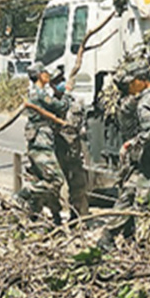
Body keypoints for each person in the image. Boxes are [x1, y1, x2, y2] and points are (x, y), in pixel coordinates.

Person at [98, 61, 150, 251]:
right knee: (140, 194)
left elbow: (148, 133)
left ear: (141, 80)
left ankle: (118, 238)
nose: (128, 87)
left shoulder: (145, 102)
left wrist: (130, 144)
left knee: (136, 196)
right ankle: (122, 237)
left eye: (131, 82)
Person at [16, 62, 69, 225]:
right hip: (41, 143)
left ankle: (46, 217)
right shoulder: (39, 94)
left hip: (39, 141)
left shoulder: (34, 92)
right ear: (40, 75)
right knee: (55, 180)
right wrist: (66, 92)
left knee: (43, 180)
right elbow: (59, 106)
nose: (48, 75)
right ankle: (25, 193)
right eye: (45, 72)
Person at [49, 69, 89, 221]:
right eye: (55, 82)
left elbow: (82, 129)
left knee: (78, 186)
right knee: (53, 185)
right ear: (52, 85)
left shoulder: (75, 103)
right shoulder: (49, 103)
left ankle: (79, 218)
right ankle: (55, 217)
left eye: (61, 80)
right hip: (56, 151)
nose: (59, 84)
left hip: (73, 152)